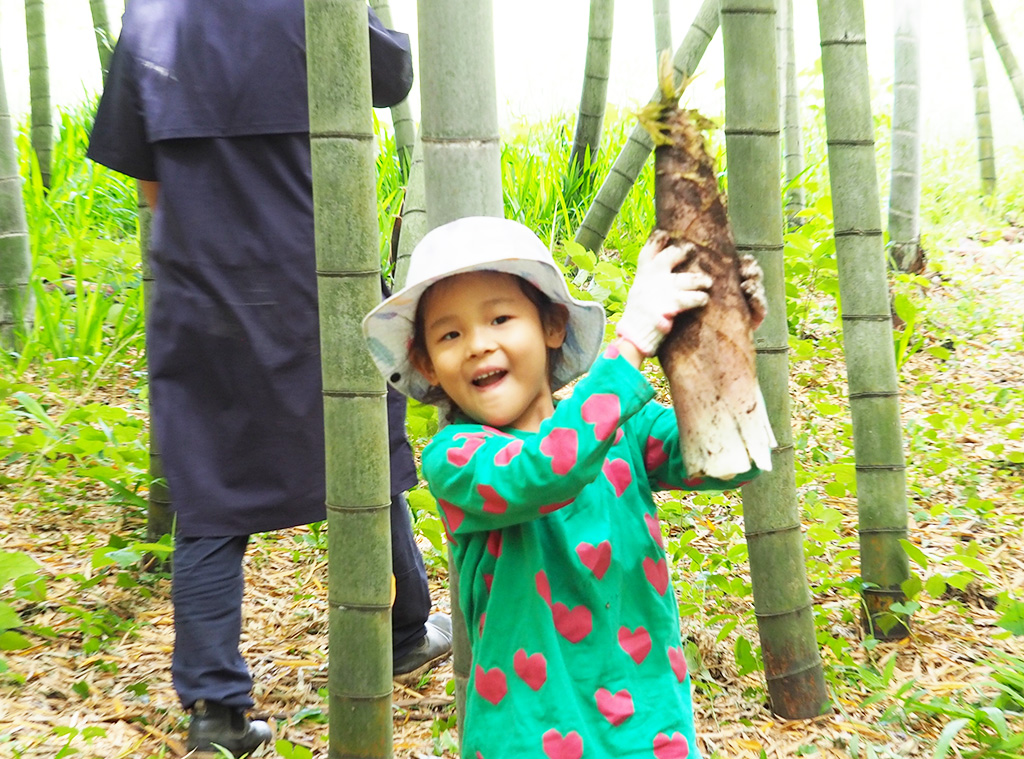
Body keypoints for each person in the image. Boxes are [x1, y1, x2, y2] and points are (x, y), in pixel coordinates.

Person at [86, 2, 451, 754]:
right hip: (315, 276)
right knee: (366, 464)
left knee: (210, 494)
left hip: (199, 292)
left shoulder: (153, 20)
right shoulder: (311, 7)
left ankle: (215, 710)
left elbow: (149, 185)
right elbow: (394, 72)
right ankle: (405, 629)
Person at [362, 216, 765, 759]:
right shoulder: (457, 458)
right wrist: (631, 343)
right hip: (528, 732)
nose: (479, 344)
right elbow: (548, 470)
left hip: (649, 725)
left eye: (501, 318)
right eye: (450, 334)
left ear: (552, 327)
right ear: (426, 364)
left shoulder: (620, 429)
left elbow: (728, 458)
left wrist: (726, 338)